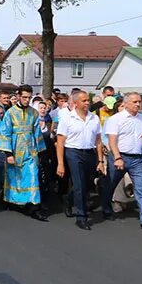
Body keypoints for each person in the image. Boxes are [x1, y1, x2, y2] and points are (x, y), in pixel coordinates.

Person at [103, 92, 142, 231]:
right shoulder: (116, 119)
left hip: (137, 159)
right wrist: (117, 158)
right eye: (134, 102)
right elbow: (112, 140)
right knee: (110, 185)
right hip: (120, 156)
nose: (138, 104)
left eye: (139, 101)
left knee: (141, 189)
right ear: (126, 103)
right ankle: (106, 208)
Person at [0, 85, 48, 221]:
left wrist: (41, 153)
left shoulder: (34, 113)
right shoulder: (10, 113)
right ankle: (12, 201)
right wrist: (8, 154)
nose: (26, 100)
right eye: (24, 97)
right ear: (18, 96)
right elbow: (4, 134)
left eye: (29, 98)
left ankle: (34, 206)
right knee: (14, 177)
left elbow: (37, 134)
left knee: (32, 176)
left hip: (30, 151)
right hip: (15, 149)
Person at [55, 89, 102, 231]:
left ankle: (68, 199)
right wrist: (61, 164)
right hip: (73, 152)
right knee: (79, 183)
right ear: (75, 103)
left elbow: (98, 140)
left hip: (89, 153)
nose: (87, 103)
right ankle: (81, 217)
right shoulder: (67, 119)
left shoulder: (94, 118)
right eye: (84, 100)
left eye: (88, 100)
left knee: (87, 184)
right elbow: (60, 142)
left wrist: (100, 161)